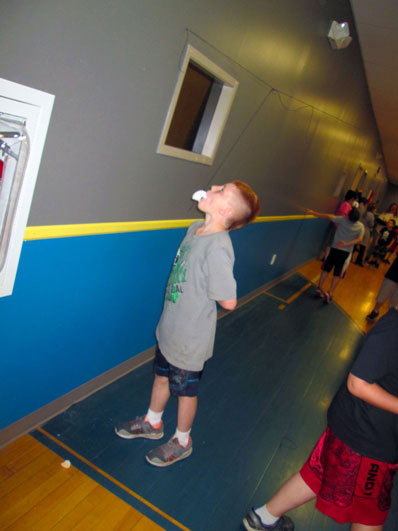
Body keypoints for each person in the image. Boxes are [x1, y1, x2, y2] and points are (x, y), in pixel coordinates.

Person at [115, 181, 259, 466]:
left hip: (190, 339)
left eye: (221, 190)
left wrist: (209, 290)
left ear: (224, 209)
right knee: (161, 377)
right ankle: (153, 423)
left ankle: (182, 440)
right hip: (171, 328)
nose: (213, 186)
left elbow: (228, 301)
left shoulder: (218, 248)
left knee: (185, 393)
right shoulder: (195, 228)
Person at [243, 306, 398, 531]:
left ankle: (263, 519)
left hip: (355, 429)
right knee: (369, 514)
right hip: (366, 441)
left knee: (318, 472)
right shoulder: (393, 330)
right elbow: (358, 383)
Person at [307, 207, 364, 303]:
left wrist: (313, 212)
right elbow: (360, 239)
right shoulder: (361, 226)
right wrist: (346, 244)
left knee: (326, 269)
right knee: (338, 273)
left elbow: (327, 216)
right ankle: (330, 293)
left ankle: (319, 288)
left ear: (348, 215)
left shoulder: (342, 219)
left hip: (334, 248)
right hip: (345, 252)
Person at [366, 256, 398, 322]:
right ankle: (375, 311)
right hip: (393, 274)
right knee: (383, 293)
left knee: (395, 301)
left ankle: (390, 317)